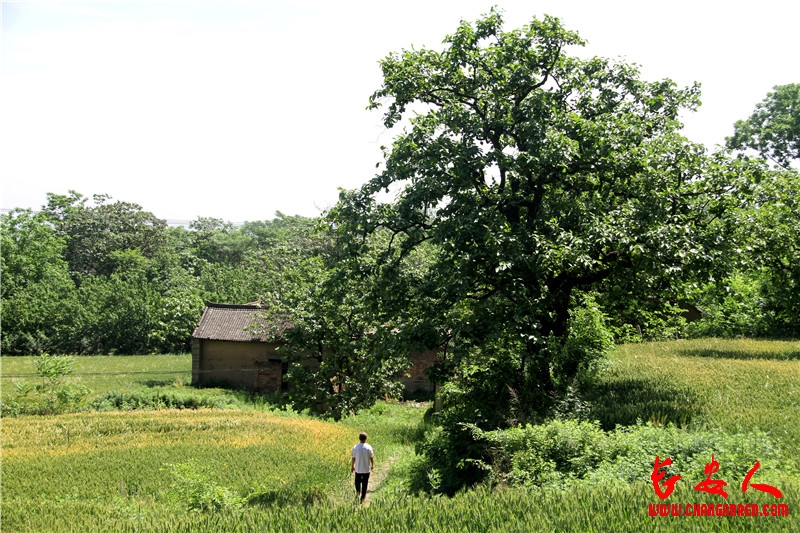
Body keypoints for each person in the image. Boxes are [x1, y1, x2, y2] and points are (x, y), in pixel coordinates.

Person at [350, 432, 374, 503]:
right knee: (365, 483)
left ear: (359, 438)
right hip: (366, 469)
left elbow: (353, 458)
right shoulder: (369, 447)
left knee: (357, 481)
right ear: (366, 439)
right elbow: (371, 457)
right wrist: (372, 465)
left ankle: (358, 491)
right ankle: (363, 497)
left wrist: (352, 466)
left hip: (358, 469)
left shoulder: (355, 447)